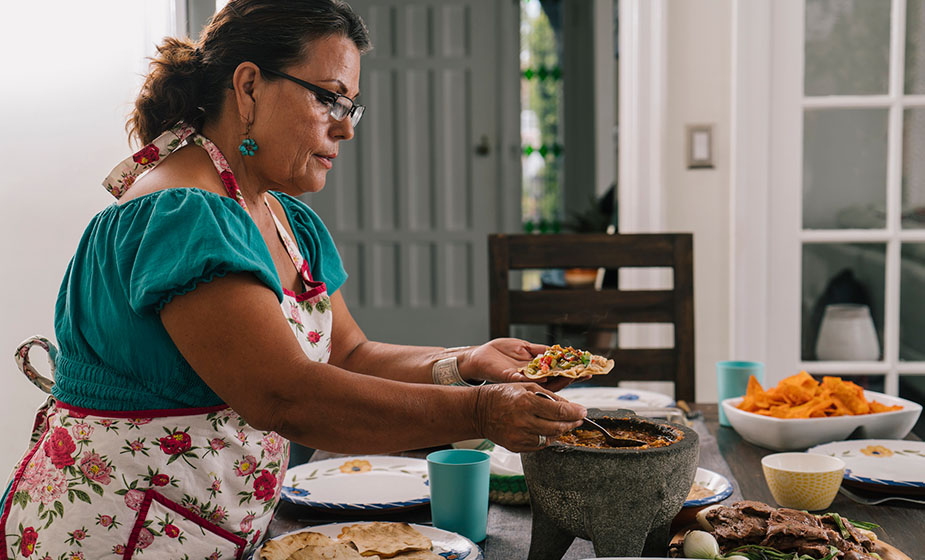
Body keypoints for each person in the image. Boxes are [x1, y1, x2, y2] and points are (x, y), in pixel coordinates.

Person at [0, 1, 587, 557]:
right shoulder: (182, 215)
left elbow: (349, 353)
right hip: (117, 538)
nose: (346, 129)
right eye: (331, 99)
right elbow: (286, 395)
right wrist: (481, 413)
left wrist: (466, 364)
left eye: (351, 106)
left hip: (204, 532)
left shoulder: (284, 219)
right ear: (249, 85)